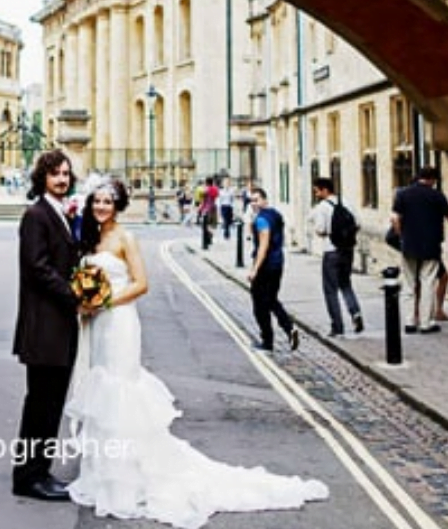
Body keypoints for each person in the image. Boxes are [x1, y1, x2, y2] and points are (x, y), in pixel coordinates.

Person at [66, 175, 328, 527]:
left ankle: (126, 480)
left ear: (118, 205)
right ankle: (103, 474)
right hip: (97, 325)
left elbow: (141, 284)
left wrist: (105, 300)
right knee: (102, 391)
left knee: (120, 390)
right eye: (96, 201)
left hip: (119, 322)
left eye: (107, 202)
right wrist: (86, 304)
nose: (101, 207)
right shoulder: (91, 238)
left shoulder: (127, 237)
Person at [11, 149, 82, 502]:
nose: (62, 179)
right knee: (40, 405)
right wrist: (75, 295)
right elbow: (37, 267)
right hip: (44, 329)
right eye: (55, 174)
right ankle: (28, 476)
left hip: (60, 328)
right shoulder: (36, 216)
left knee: (50, 404)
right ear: (42, 178)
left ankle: (40, 469)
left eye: (66, 174)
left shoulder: (61, 214)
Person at [390, 167, 448, 335]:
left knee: (409, 285)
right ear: (433, 180)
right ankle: (425, 323)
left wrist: (401, 236)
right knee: (428, 284)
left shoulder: (403, 194)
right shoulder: (437, 196)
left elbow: (395, 218)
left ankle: (409, 322)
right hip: (431, 246)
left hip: (409, 245)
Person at [247, 186, 301, 352]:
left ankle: (267, 340)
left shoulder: (262, 219)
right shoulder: (275, 214)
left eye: (256, 200)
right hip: (278, 263)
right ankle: (289, 327)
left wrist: (254, 269)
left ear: (264, 199)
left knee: (259, 303)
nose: (254, 204)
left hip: (265, 265)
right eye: (251, 201)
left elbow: (263, 246)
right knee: (271, 299)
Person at [309, 177, 364, 337]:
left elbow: (320, 229)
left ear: (325, 190)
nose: (316, 194)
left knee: (330, 290)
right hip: (348, 250)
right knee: (346, 284)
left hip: (331, 251)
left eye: (317, 191)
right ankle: (355, 313)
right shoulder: (346, 202)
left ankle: (337, 326)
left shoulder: (322, 207)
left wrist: (327, 232)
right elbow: (358, 223)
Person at [198, 176, 219, 250]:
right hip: (214, 207)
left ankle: (207, 238)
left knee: (205, 223)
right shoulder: (215, 189)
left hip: (206, 208)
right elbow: (217, 195)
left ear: (206, 182)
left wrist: (200, 208)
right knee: (212, 224)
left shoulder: (206, 189)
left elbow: (201, 198)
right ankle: (210, 237)